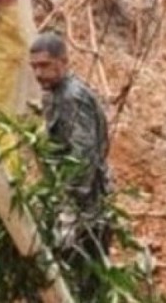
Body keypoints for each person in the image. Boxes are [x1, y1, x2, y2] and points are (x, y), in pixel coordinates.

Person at [29, 32, 113, 297]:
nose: (38, 73)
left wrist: (71, 210)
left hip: (86, 207)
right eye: (34, 67)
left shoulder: (71, 97)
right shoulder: (53, 93)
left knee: (86, 277)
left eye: (44, 65)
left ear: (63, 62)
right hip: (69, 199)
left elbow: (83, 156)